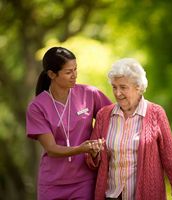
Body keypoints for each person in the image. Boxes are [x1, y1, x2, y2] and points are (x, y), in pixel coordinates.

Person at [86, 58, 172, 200]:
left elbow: (170, 157)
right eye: (114, 87)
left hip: (146, 195)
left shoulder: (156, 113)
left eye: (123, 87)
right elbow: (91, 160)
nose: (117, 93)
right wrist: (94, 153)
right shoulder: (103, 115)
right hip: (111, 195)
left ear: (138, 87)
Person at [26, 46, 111, 200]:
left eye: (75, 69)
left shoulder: (89, 94)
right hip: (52, 183)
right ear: (52, 74)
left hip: (84, 181)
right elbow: (51, 149)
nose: (74, 75)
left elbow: (114, 118)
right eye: (68, 72)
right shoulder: (37, 107)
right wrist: (82, 148)